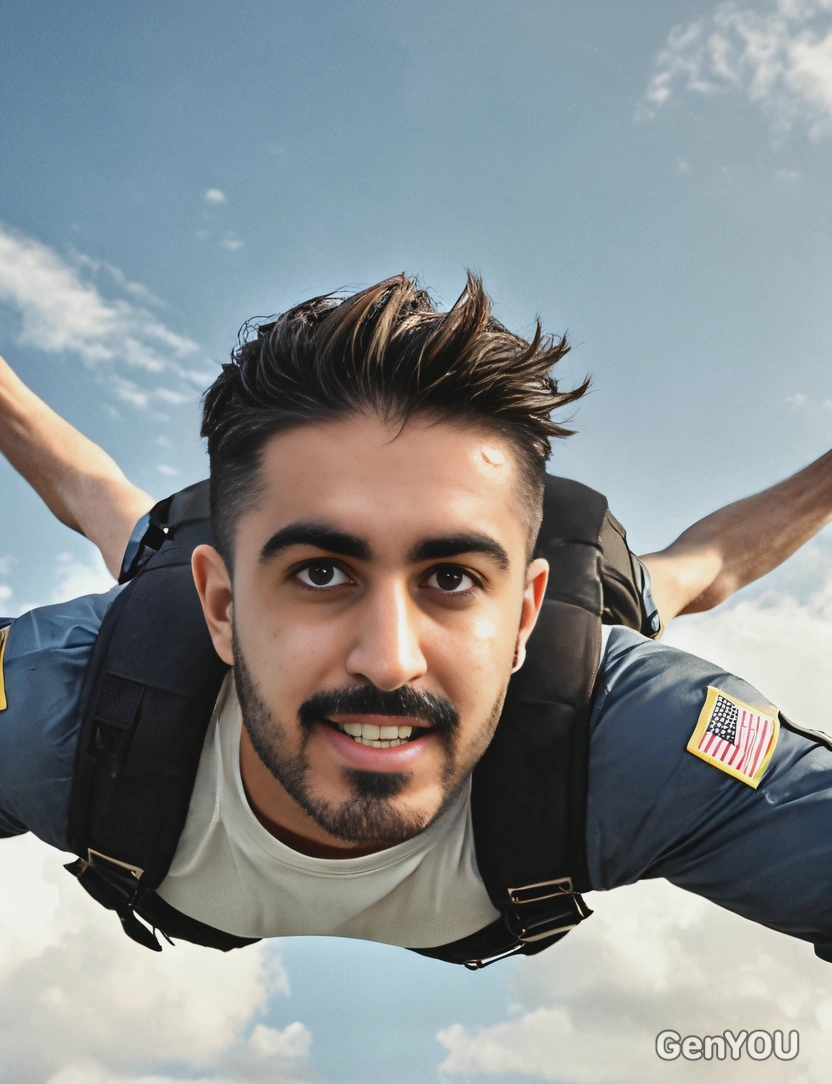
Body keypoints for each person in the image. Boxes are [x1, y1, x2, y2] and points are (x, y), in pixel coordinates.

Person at [1, 274, 832, 963]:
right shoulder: (57, 709)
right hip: (166, 637)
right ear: (219, 606)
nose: (389, 661)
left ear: (522, 618)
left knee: (689, 575)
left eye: (451, 577)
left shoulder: (634, 743)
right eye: (321, 572)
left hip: (558, 672)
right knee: (115, 514)